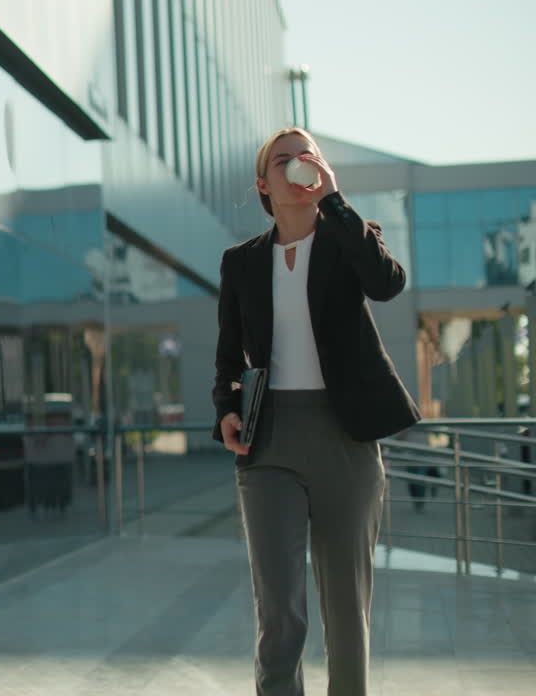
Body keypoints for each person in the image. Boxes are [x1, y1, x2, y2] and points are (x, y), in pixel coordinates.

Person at [211, 128, 421, 695]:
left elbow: (387, 284)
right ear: (264, 183)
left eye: (310, 156)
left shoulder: (349, 240)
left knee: (347, 609)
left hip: (346, 438)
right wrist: (226, 409)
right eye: (285, 160)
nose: (299, 165)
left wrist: (335, 201)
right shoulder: (241, 262)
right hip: (269, 440)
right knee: (279, 613)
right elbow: (229, 355)